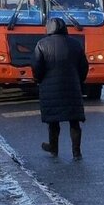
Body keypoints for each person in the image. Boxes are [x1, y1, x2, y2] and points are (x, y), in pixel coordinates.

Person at [32, 17, 89, 159]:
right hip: (72, 88)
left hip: (50, 89)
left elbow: (37, 67)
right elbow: (84, 67)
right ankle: (76, 153)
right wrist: (78, 80)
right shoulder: (75, 44)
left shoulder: (41, 45)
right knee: (74, 121)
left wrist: (39, 80)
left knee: (53, 121)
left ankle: (53, 149)